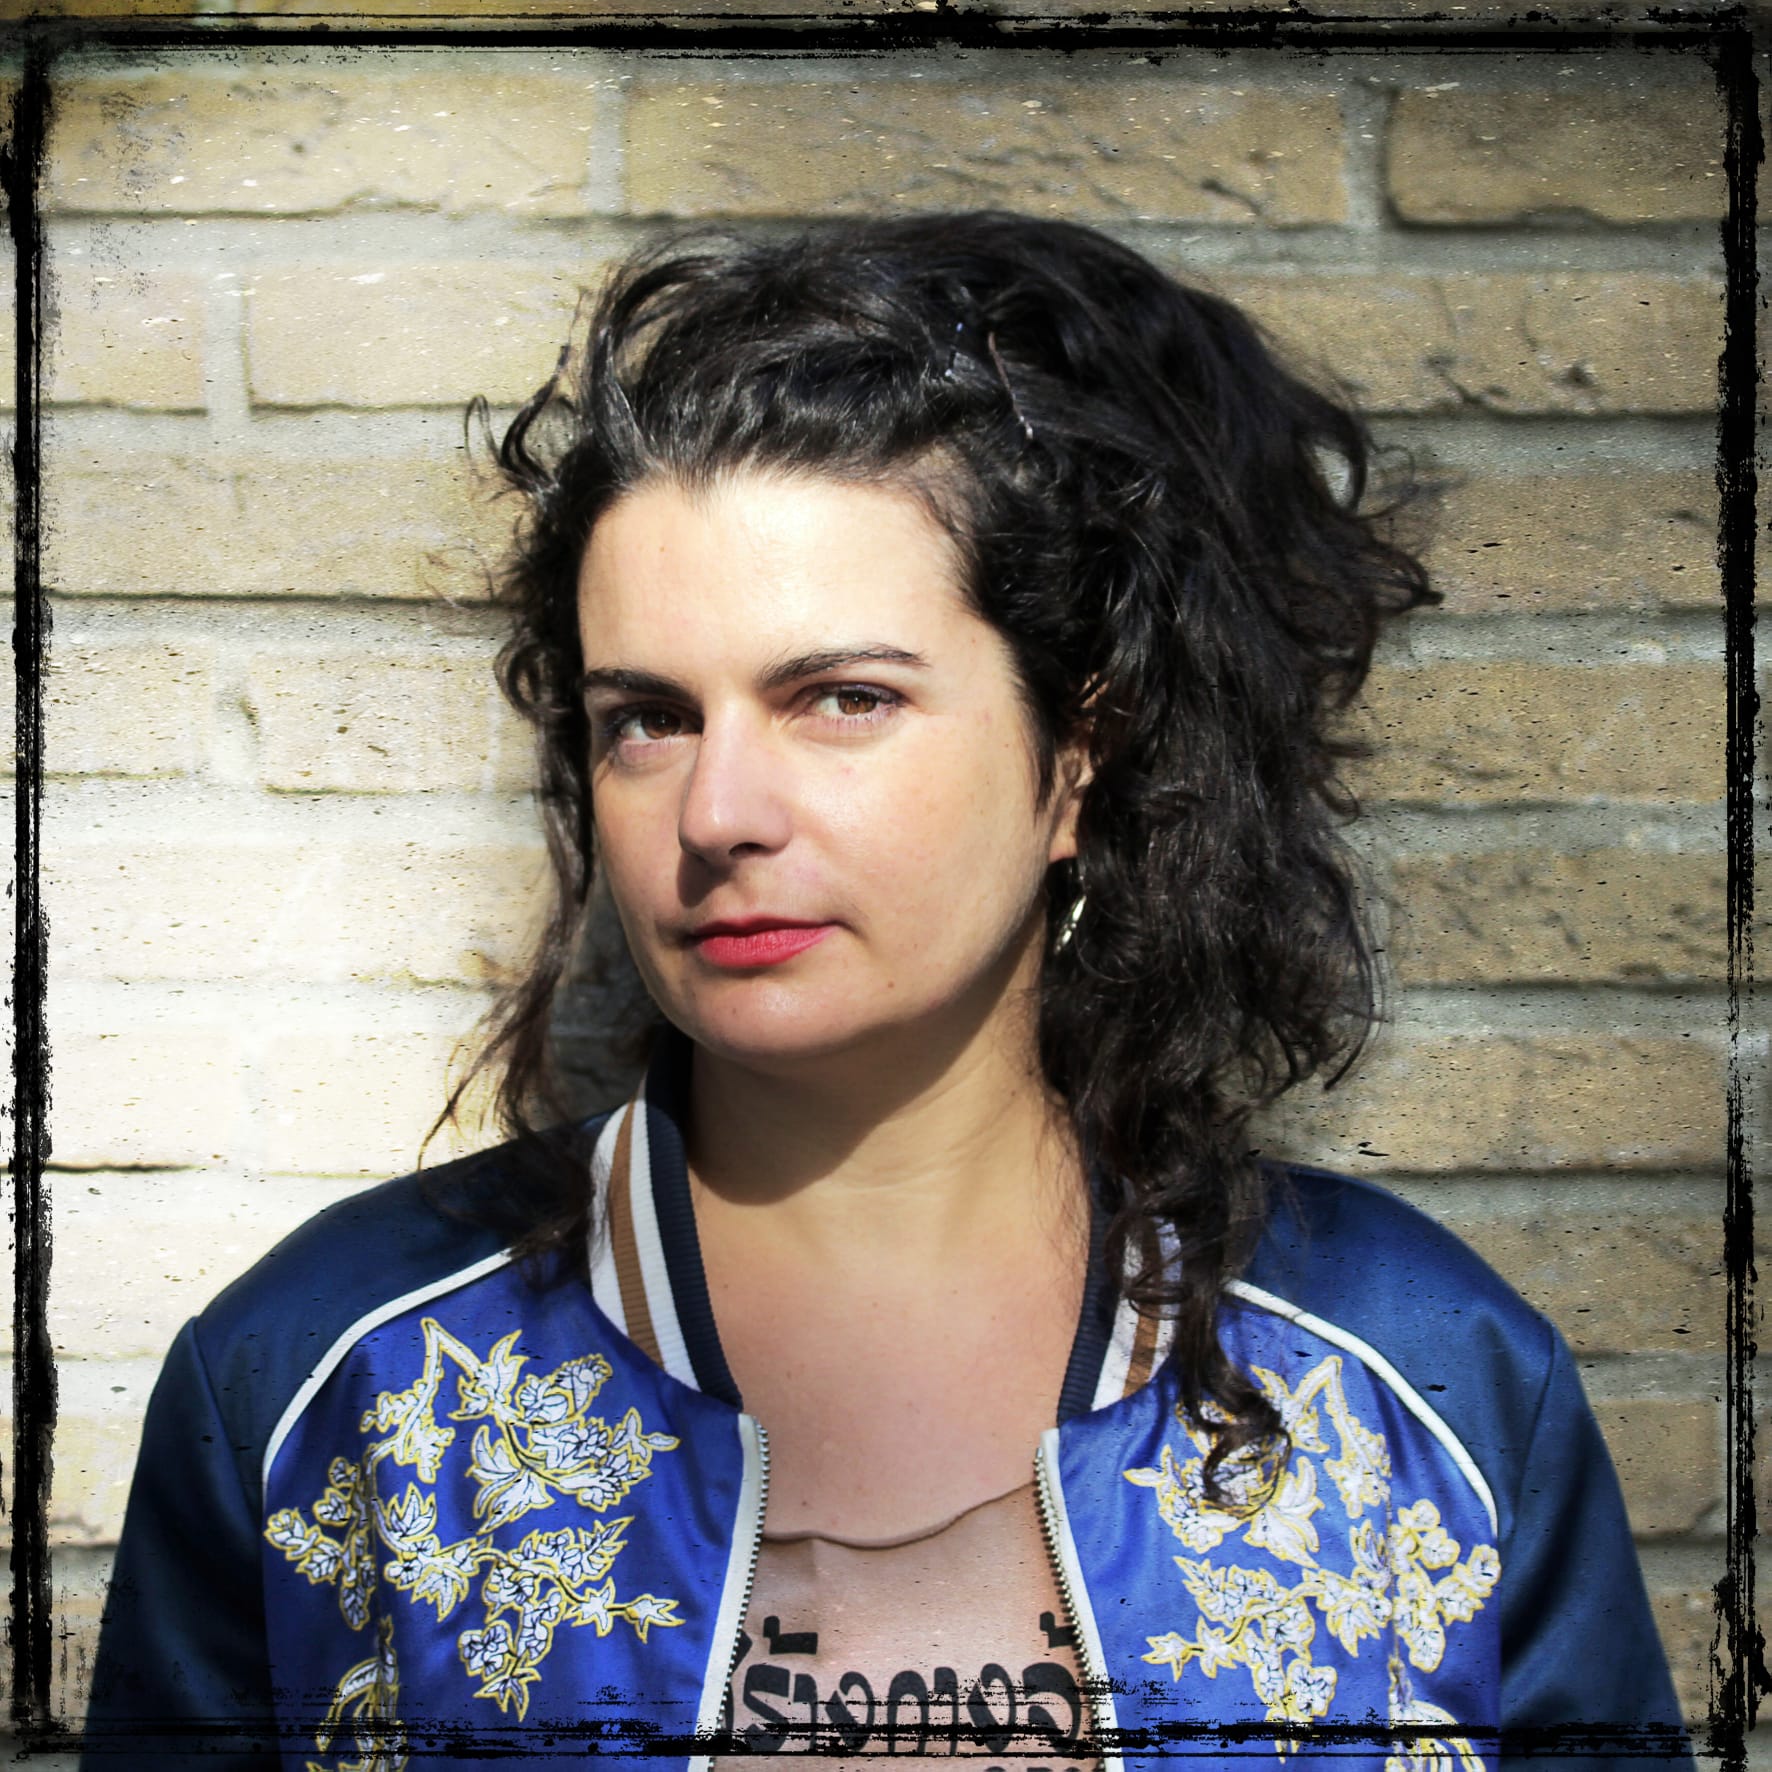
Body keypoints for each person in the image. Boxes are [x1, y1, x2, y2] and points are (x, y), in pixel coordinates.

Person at [81, 212, 1691, 1771]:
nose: (718, 813)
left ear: (1081, 754)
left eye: (841, 698)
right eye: (646, 717)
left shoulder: (1429, 1388)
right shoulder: (322, 1380)